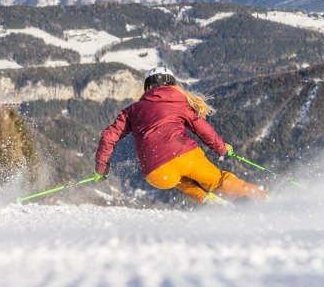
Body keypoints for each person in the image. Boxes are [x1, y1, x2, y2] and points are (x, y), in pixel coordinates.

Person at [93, 66, 267, 205]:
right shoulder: (181, 103)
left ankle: (207, 202)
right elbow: (204, 130)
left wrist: (102, 170)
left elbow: (108, 137)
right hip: (185, 156)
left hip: (155, 173)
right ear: (172, 84)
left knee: (179, 180)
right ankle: (264, 198)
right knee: (217, 181)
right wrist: (221, 149)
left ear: (147, 87)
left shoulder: (132, 110)